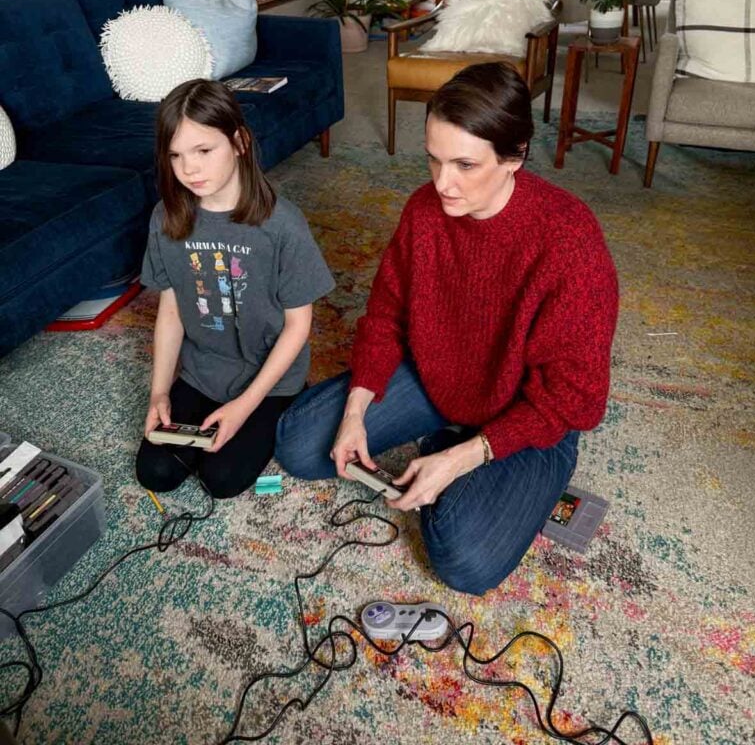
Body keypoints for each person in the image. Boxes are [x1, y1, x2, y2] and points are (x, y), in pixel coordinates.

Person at [275, 62, 618, 595]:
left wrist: (462, 457)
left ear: (514, 156)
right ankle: (448, 440)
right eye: (433, 159)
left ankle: (456, 448)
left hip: (528, 410)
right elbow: (385, 316)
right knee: (297, 445)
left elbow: (574, 399)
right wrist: (356, 411)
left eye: (464, 164)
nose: (442, 183)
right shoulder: (424, 210)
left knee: (464, 562)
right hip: (438, 377)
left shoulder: (570, 242)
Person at [136, 79, 334, 499]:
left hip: (269, 378)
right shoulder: (165, 219)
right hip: (204, 369)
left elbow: (298, 327)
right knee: (155, 472)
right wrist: (159, 392)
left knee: (221, 479)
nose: (189, 169)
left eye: (203, 151)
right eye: (175, 156)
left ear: (240, 142)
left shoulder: (283, 225)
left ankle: (286, 406)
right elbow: (170, 310)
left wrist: (245, 407)